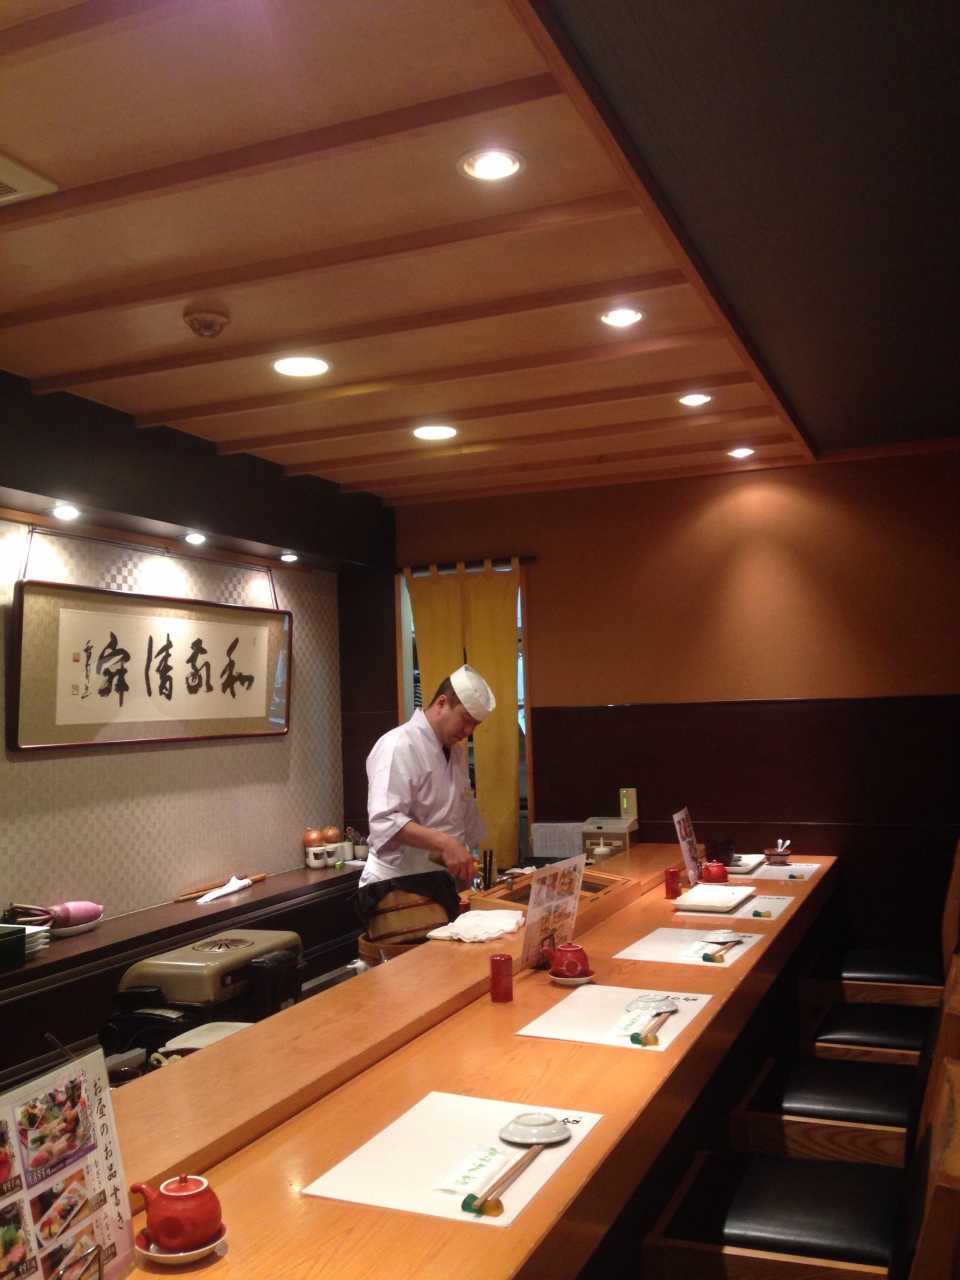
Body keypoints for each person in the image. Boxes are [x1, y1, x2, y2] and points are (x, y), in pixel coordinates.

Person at [360, 663, 496, 890]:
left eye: (476, 724)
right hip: (394, 884)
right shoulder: (399, 745)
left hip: (439, 882)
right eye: (466, 719)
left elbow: (461, 819)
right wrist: (446, 843)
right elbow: (385, 820)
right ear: (441, 703)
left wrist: (463, 862)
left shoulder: (456, 753)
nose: (469, 731)